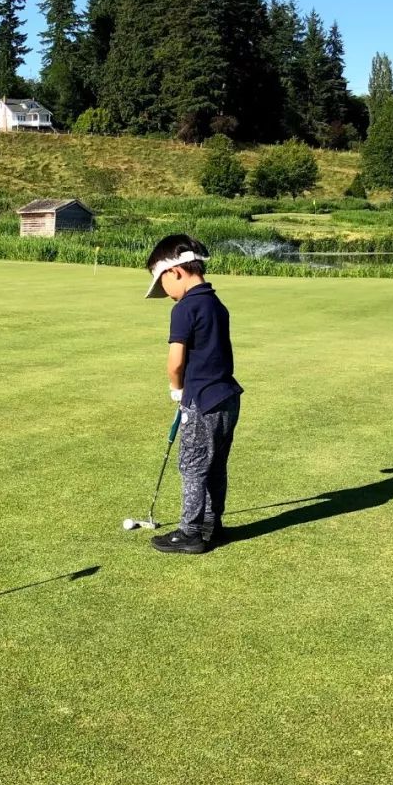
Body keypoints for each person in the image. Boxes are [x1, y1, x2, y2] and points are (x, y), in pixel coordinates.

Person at [144, 235, 243, 554]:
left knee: (192, 465)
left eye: (163, 285)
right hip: (228, 397)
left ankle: (190, 533)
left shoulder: (185, 308)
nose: (167, 295)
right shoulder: (216, 303)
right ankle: (212, 526)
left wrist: (177, 390)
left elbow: (175, 363)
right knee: (216, 466)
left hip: (201, 400)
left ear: (175, 273)